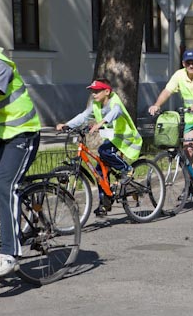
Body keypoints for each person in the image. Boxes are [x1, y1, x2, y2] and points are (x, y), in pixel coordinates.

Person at [58, 78, 142, 217]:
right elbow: (83, 116)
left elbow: (115, 112)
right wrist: (67, 125)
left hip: (125, 137)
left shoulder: (114, 101)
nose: (94, 94)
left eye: (97, 91)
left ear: (107, 91)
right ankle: (105, 203)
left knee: (103, 151)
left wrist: (101, 122)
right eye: (92, 91)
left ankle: (127, 170)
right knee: (99, 170)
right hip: (112, 138)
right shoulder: (96, 104)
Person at [0, 51, 41, 277]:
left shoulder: (0, 64)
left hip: (22, 134)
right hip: (2, 134)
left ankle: (9, 252)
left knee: (5, 185)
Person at [149, 50, 193, 169]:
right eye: (188, 63)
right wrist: (157, 105)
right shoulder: (179, 75)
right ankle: (190, 179)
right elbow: (167, 91)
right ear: (183, 64)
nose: (191, 66)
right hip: (192, 118)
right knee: (187, 150)